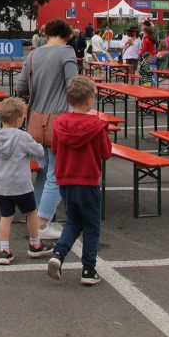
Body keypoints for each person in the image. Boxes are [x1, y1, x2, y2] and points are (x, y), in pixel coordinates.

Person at [46, 76, 113, 286]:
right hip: (88, 180)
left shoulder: (60, 123)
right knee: (92, 225)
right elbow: (105, 153)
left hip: (65, 179)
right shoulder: (97, 125)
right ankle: (88, 268)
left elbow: (56, 149)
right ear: (88, 100)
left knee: (73, 221)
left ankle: (59, 253)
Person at [16, 18, 78, 241]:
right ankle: (42, 223)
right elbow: (74, 86)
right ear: (68, 34)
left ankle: (34, 219)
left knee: (42, 172)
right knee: (57, 174)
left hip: (34, 119)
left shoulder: (33, 55)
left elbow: (21, 87)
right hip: (58, 120)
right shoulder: (67, 53)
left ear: (47, 33)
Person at [0, 97, 51, 265]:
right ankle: (35, 244)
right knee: (31, 212)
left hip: (2, 185)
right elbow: (38, 151)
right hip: (21, 185)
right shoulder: (22, 136)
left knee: (6, 216)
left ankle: (4, 250)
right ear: (18, 119)